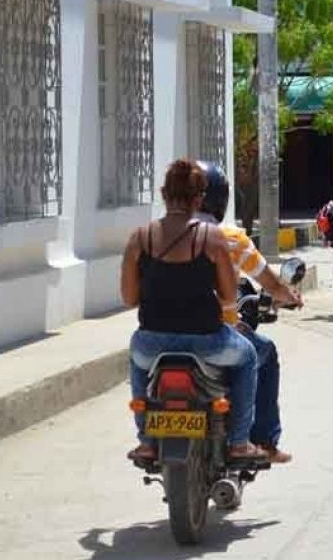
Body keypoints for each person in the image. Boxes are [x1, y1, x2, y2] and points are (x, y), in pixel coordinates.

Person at [122, 160, 265, 462]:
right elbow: (228, 295)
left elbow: (129, 297)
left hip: (153, 343)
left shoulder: (140, 237)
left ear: (163, 193)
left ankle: (147, 441)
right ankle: (239, 442)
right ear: (199, 198)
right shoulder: (212, 238)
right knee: (249, 356)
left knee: (136, 358)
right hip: (208, 342)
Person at [193, 161, 301, 463]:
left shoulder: (159, 235)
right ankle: (259, 440)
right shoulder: (230, 239)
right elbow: (271, 283)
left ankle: (148, 440)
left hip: (162, 333)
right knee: (261, 353)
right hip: (215, 334)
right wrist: (288, 296)